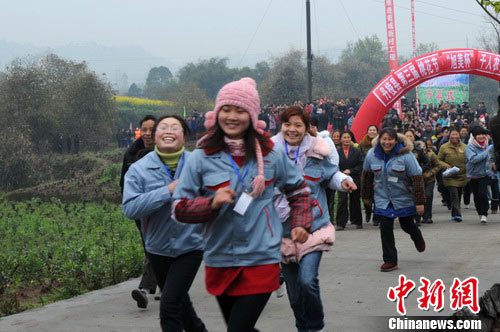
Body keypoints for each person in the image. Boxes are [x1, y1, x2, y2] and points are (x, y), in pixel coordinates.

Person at [172, 78, 313, 332]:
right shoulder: (201, 157)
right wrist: (211, 203)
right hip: (220, 257)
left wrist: (301, 223)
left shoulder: (270, 154)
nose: (232, 116)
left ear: (252, 116)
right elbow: (179, 208)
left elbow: (300, 190)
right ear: (216, 113)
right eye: (226, 109)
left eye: (240, 111)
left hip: (262, 255)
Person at [272, 105, 356, 332]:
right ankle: (303, 327)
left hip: (314, 227)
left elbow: (331, 174)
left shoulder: (317, 152)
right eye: (287, 124)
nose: (292, 129)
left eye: (298, 125)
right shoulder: (269, 154)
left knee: (307, 281)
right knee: (294, 296)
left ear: (307, 128)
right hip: (282, 232)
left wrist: (342, 182)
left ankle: (316, 325)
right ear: (281, 127)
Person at [122, 115, 207, 332]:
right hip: (157, 249)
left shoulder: (199, 165)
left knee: (169, 305)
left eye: (175, 128)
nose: (169, 131)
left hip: (190, 247)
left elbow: (215, 201)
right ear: (154, 135)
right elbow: (130, 209)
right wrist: (167, 191)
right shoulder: (138, 169)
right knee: (183, 308)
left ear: (183, 136)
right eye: (164, 128)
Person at [361, 127, 426, 272]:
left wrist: (420, 202)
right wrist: (366, 196)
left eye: (390, 139)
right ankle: (390, 260)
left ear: (396, 141)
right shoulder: (372, 154)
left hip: (403, 196)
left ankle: (417, 236)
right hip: (382, 197)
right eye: (384, 139)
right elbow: (367, 176)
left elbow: (417, 178)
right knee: (385, 227)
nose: (387, 142)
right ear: (379, 140)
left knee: (407, 224)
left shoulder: (406, 155)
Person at [119, 115, 159, 308]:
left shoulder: (166, 153)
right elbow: (123, 183)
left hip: (162, 208)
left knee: (155, 247)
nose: (147, 133)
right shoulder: (130, 154)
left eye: (151, 129)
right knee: (149, 247)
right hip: (141, 209)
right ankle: (165, 285)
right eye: (144, 129)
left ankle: (145, 289)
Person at [438, 127, 467, 222]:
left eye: (456, 134)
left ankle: (454, 213)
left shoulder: (464, 147)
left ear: (459, 135)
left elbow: (468, 160)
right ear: (449, 136)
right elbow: (438, 160)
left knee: (458, 193)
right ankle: (458, 214)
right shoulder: (444, 147)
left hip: (461, 175)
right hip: (449, 176)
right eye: (452, 134)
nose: (454, 136)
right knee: (454, 194)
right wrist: (446, 165)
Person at [336, 130, 363, 230]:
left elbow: (361, 164)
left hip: (354, 178)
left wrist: (351, 171)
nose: (346, 139)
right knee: (342, 200)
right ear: (340, 139)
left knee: (355, 200)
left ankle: (357, 221)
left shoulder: (356, 151)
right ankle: (340, 223)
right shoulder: (337, 152)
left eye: (348, 137)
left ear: (351, 139)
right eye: (344, 137)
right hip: (341, 179)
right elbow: (334, 165)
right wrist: (342, 172)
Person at [466, 126, 493, 223]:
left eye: (482, 134)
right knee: (476, 196)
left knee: (483, 194)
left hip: (484, 174)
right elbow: (473, 159)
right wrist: (486, 153)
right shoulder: (470, 147)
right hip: (473, 175)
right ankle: (480, 212)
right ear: (474, 136)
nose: (481, 136)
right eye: (478, 135)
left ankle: (485, 213)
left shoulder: (488, 145)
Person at [404, 129, 431, 226]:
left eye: (410, 136)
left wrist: (419, 170)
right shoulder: (400, 149)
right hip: (404, 178)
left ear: (414, 138)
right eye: (406, 136)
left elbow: (428, 163)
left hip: (416, 178)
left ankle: (417, 218)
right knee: (407, 198)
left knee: (417, 197)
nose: (408, 138)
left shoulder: (418, 149)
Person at [358, 124, 379, 225]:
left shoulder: (380, 143)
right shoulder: (362, 144)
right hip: (366, 173)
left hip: (377, 172)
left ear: (377, 132)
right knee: (366, 193)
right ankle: (368, 210)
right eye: (370, 130)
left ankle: (376, 216)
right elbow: (360, 157)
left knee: (377, 195)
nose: (372, 132)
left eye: (374, 130)